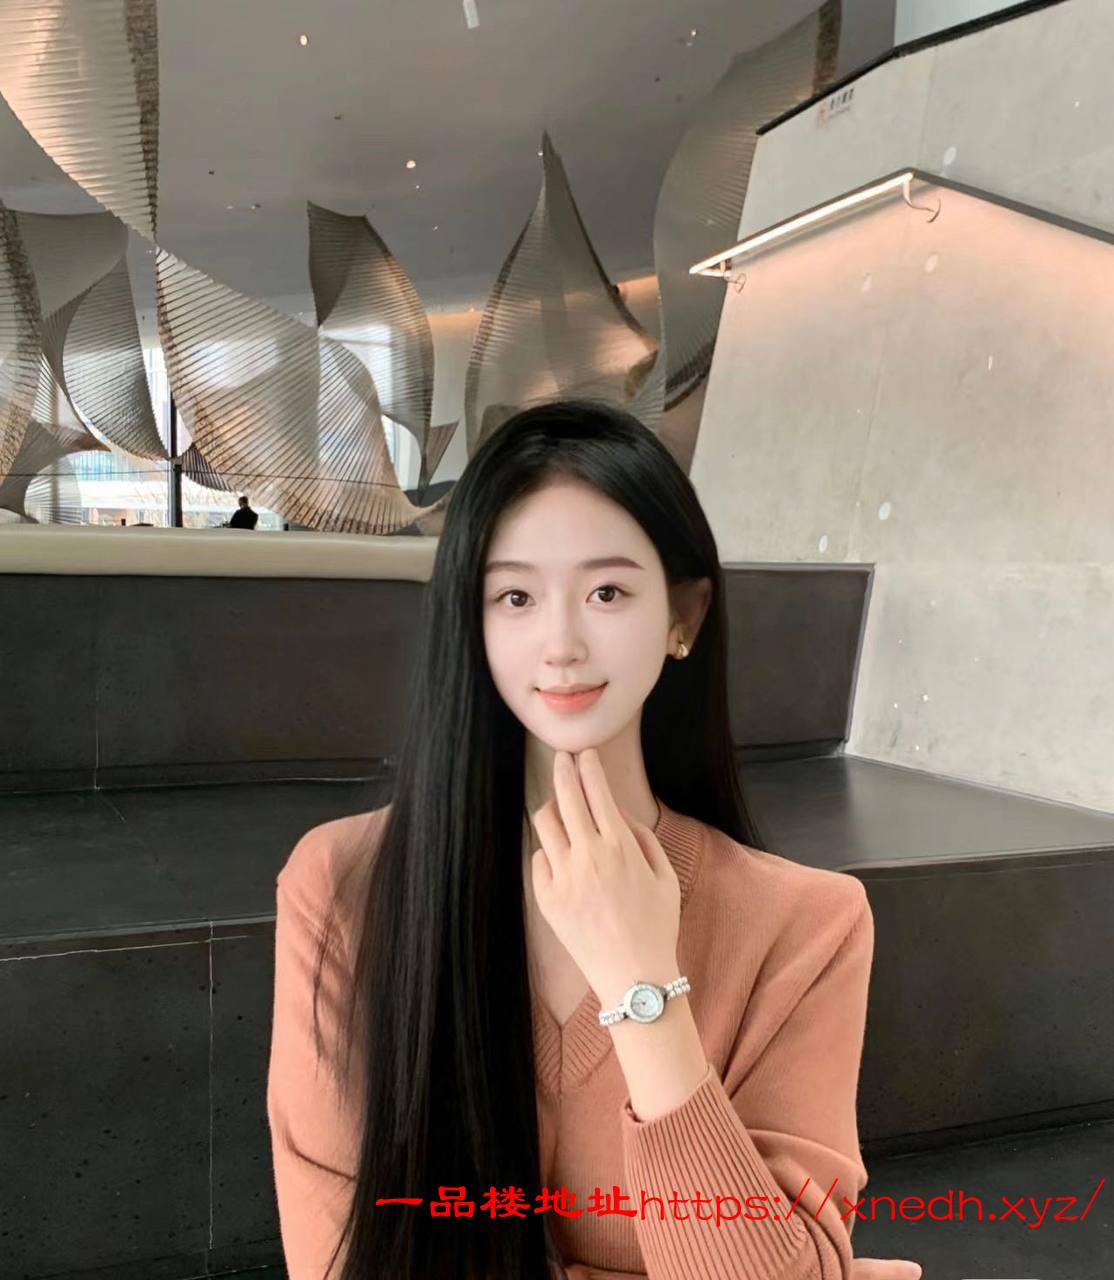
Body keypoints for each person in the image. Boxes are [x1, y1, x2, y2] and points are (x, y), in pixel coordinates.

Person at [266, 400, 923, 1280]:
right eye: (515, 597)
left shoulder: (807, 925)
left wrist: (641, 987)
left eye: (607, 592)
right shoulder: (347, 885)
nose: (562, 645)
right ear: (471, 621)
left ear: (684, 616)